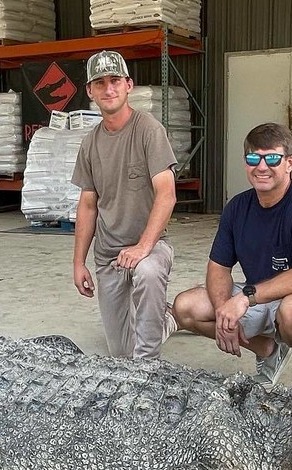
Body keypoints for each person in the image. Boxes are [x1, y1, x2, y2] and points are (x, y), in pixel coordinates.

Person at [171, 123, 292, 397]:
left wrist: (245, 298)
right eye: (254, 158)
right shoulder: (237, 207)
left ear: (290, 162)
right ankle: (266, 349)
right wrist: (224, 312)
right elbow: (218, 266)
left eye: (273, 159)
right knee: (185, 307)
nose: (262, 167)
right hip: (256, 295)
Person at [71, 50, 179, 359]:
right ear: (90, 91)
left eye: (115, 80)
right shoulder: (90, 143)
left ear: (128, 85)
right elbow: (88, 206)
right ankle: (165, 319)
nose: (109, 89)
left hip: (151, 247)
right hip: (109, 256)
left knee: (146, 273)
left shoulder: (149, 131)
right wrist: (79, 263)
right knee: (120, 352)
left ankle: (148, 369)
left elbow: (166, 194)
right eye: (100, 82)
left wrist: (144, 246)